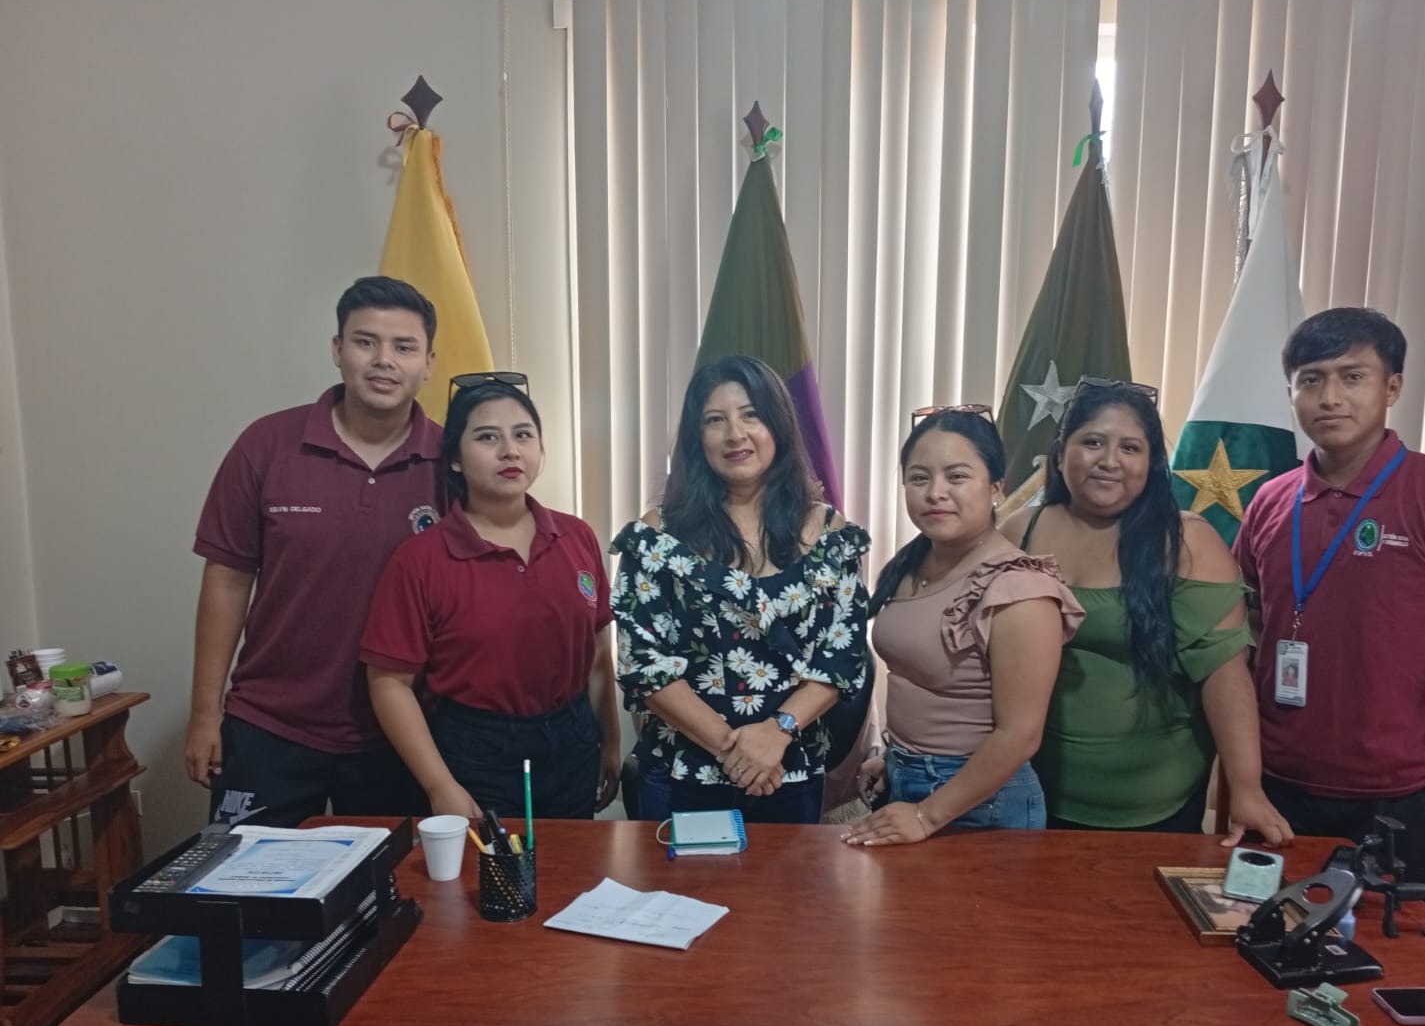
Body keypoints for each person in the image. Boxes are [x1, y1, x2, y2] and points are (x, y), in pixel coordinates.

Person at [1234, 308, 1425, 903]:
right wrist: (1240, 778)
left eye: (1352, 376)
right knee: (1259, 948)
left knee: (1390, 955)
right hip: (1278, 789)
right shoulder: (1269, 501)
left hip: (1401, 799)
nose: (1330, 397)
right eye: (1311, 379)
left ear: (1392, 387)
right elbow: (1246, 633)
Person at [186, 276, 443, 827]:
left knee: (395, 882)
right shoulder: (266, 444)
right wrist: (205, 714)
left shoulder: (454, 462)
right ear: (337, 349)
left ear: (428, 363)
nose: (384, 360)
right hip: (271, 724)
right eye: (365, 342)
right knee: (247, 878)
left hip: (402, 732)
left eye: (404, 347)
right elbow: (227, 579)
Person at [1001, 380, 1291, 844]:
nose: (1109, 460)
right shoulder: (1019, 532)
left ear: (1152, 463)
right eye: (1092, 442)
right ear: (1060, 453)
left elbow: (1225, 676)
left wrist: (1246, 788)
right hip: (1034, 794)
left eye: (1130, 447)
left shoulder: (1188, 541)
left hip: (1160, 806)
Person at [610, 355, 870, 823]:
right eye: (715, 420)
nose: (735, 434)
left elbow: (841, 654)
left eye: (751, 414)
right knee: (681, 878)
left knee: (788, 878)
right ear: (697, 438)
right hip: (682, 775)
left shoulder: (829, 532)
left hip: (789, 769)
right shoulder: (657, 536)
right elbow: (644, 664)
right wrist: (735, 750)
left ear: (778, 424)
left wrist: (777, 733)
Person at [361, 375, 621, 820]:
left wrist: (610, 743)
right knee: (485, 867)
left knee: (571, 861)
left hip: (571, 739)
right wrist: (440, 786)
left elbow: (598, 654)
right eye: (487, 437)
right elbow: (389, 683)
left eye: (523, 435)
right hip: (475, 751)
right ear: (455, 459)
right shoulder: (420, 559)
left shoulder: (576, 536)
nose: (510, 451)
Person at [844, 408, 1082, 846]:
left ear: (996, 488)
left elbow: (1020, 735)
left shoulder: (1019, 588)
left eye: (956, 477)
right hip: (906, 776)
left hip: (980, 798)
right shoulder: (912, 563)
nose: (935, 492)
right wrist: (894, 760)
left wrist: (926, 815)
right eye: (919, 478)